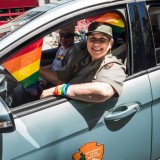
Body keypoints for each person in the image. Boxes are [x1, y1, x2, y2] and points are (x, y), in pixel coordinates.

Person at [40, 22, 126, 102]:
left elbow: (104, 91)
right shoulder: (80, 57)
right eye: (92, 39)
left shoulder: (113, 65)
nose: (96, 44)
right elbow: (61, 77)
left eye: (102, 39)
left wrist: (60, 89)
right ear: (87, 41)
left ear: (110, 44)